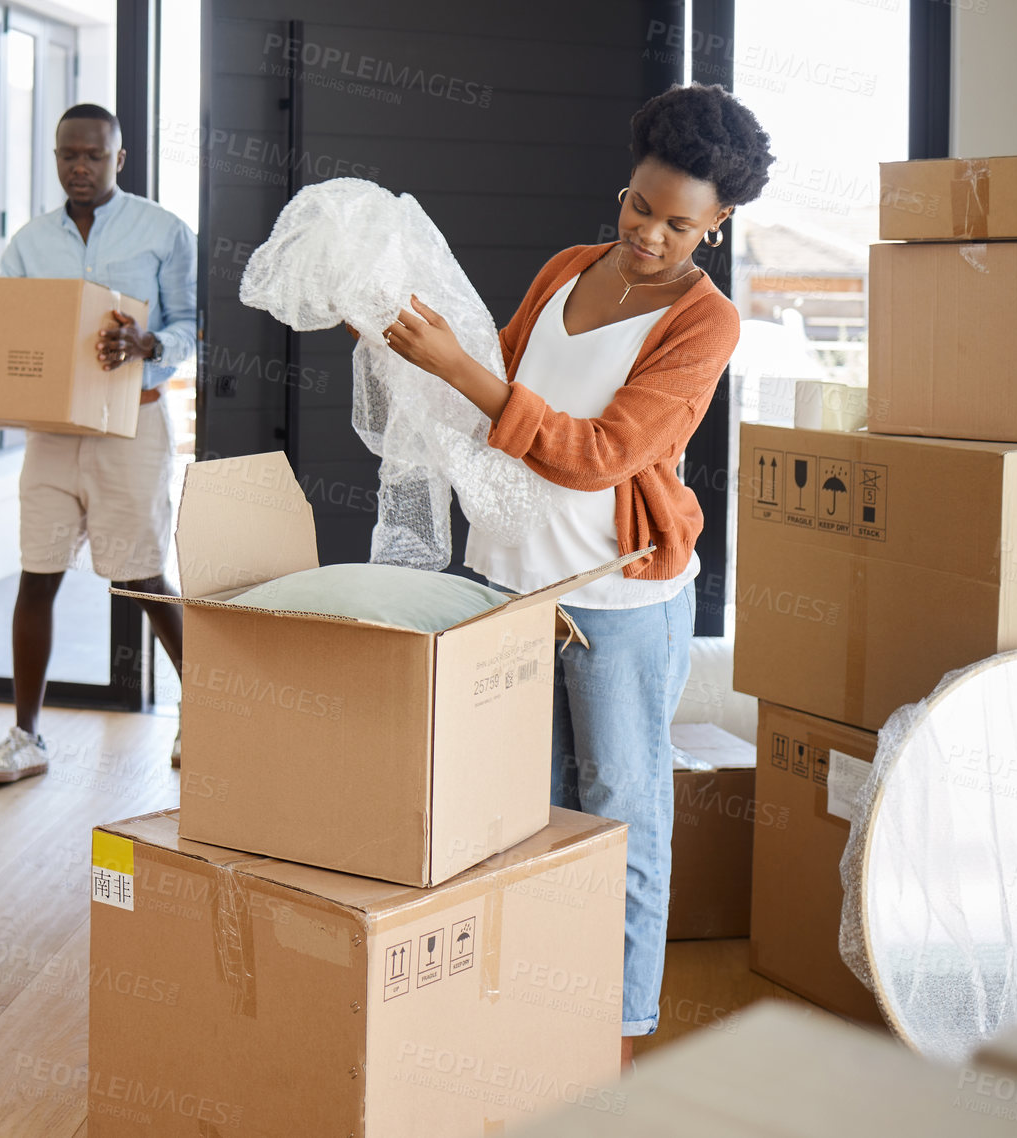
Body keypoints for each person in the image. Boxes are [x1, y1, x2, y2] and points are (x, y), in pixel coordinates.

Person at [378, 83, 773, 1068]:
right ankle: (531, 1012)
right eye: (638, 205)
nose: (646, 234)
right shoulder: (567, 266)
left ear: (716, 225)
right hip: (509, 584)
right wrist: (404, 348)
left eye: (678, 224)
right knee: (521, 809)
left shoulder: (703, 323)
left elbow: (599, 452)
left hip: (615, 600)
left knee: (620, 818)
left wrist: (464, 373)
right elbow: (497, 396)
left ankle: (616, 1033)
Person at [0, 103, 197, 784]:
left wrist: (149, 344)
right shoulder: (27, 245)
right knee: (37, 573)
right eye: (67, 155)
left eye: (92, 155)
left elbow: (190, 324)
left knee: (142, 577)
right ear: (55, 158)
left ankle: (203, 716)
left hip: (132, 425)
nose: (78, 167)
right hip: (53, 437)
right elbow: (3, 341)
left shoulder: (163, 231)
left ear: (119, 158)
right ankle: (25, 738)